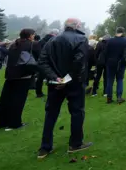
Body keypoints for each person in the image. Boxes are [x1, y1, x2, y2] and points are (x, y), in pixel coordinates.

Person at [36, 18, 92, 159]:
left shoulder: (52, 41)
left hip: (57, 82)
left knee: (51, 113)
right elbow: (79, 62)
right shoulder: (80, 39)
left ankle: (45, 147)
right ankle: (75, 144)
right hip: (73, 82)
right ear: (77, 26)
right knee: (77, 112)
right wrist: (63, 79)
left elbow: (42, 62)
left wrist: (55, 78)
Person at [0, 29, 40, 130]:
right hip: (24, 74)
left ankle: (1, 122)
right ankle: (14, 123)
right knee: (18, 99)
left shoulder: (14, 44)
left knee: (5, 99)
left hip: (10, 74)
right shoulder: (33, 44)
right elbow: (39, 57)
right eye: (33, 35)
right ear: (30, 35)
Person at [103, 27, 126, 104]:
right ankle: (119, 97)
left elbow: (105, 53)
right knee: (119, 79)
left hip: (110, 63)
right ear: (123, 32)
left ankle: (109, 98)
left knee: (110, 80)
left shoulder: (110, 41)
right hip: (121, 63)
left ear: (116, 32)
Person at [34, 29, 58, 98]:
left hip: (40, 61)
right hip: (50, 62)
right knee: (51, 77)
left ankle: (38, 93)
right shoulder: (53, 40)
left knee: (40, 78)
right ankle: (52, 93)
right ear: (55, 34)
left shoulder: (41, 41)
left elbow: (37, 51)